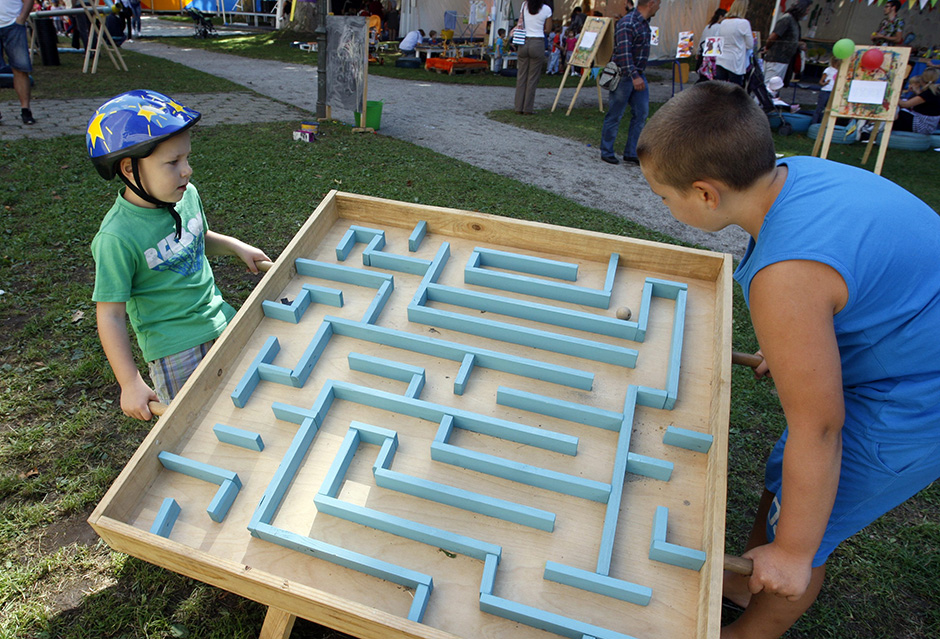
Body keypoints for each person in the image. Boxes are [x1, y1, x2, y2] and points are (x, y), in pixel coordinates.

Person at [636, 80, 940, 639]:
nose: (663, 203)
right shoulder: (793, 174)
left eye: (662, 195)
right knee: (790, 478)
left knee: (813, 518)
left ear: (705, 194)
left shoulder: (787, 277)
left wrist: (796, 552)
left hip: (917, 399)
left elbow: (819, 427)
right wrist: (803, 350)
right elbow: (857, 280)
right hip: (909, 339)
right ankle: (748, 572)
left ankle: (753, 624)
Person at [87, 90, 270, 420]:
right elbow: (110, 315)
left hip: (221, 320)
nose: (186, 171)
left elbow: (196, 236)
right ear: (129, 169)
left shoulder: (186, 195)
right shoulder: (117, 237)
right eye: (172, 163)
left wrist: (234, 246)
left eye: (186, 158)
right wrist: (129, 382)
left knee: (245, 407)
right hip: (174, 351)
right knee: (193, 425)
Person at [599, 0, 660, 165]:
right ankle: (606, 150)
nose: (659, 7)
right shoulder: (628, 23)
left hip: (638, 74)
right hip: (625, 76)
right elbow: (624, 54)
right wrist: (634, 76)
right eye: (659, 3)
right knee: (615, 113)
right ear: (651, 3)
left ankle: (632, 151)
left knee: (641, 113)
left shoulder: (645, 23)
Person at [512, 0, 552, 115]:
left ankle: (518, 107)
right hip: (537, 41)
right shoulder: (546, 9)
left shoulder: (524, 5)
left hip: (524, 41)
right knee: (532, 78)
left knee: (521, 76)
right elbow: (548, 29)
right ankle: (527, 109)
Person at [0, 0, 35, 124]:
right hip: (13, 24)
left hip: (13, 25)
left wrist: (21, 19)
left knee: (20, 69)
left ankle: (25, 110)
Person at [762, 0, 810, 84]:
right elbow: (773, 37)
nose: (807, 12)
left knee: (775, 85)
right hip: (776, 59)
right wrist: (767, 47)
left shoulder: (794, 22)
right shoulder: (787, 19)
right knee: (769, 85)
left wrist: (799, 44)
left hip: (784, 60)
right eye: (807, 10)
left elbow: (789, 40)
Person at [714, 0, 752, 87]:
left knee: (720, 89)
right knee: (735, 90)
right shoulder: (744, 23)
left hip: (721, 59)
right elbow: (750, 44)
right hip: (736, 61)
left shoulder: (723, 22)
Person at [894, 67, 940, 134]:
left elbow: (905, 104)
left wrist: (893, 95)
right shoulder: (934, 91)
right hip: (928, 124)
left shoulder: (928, 93)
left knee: (898, 113)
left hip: (922, 125)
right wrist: (916, 91)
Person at [696, 7, 725, 82]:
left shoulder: (708, 26)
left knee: (705, 75)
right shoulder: (719, 27)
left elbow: (702, 39)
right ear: (721, 17)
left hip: (703, 53)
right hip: (712, 55)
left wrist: (698, 52)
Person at [810, 56, 839, 124]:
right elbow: (821, 81)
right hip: (826, 90)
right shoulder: (828, 70)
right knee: (820, 108)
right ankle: (814, 123)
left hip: (833, 91)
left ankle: (822, 123)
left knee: (827, 109)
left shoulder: (839, 71)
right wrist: (824, 83)